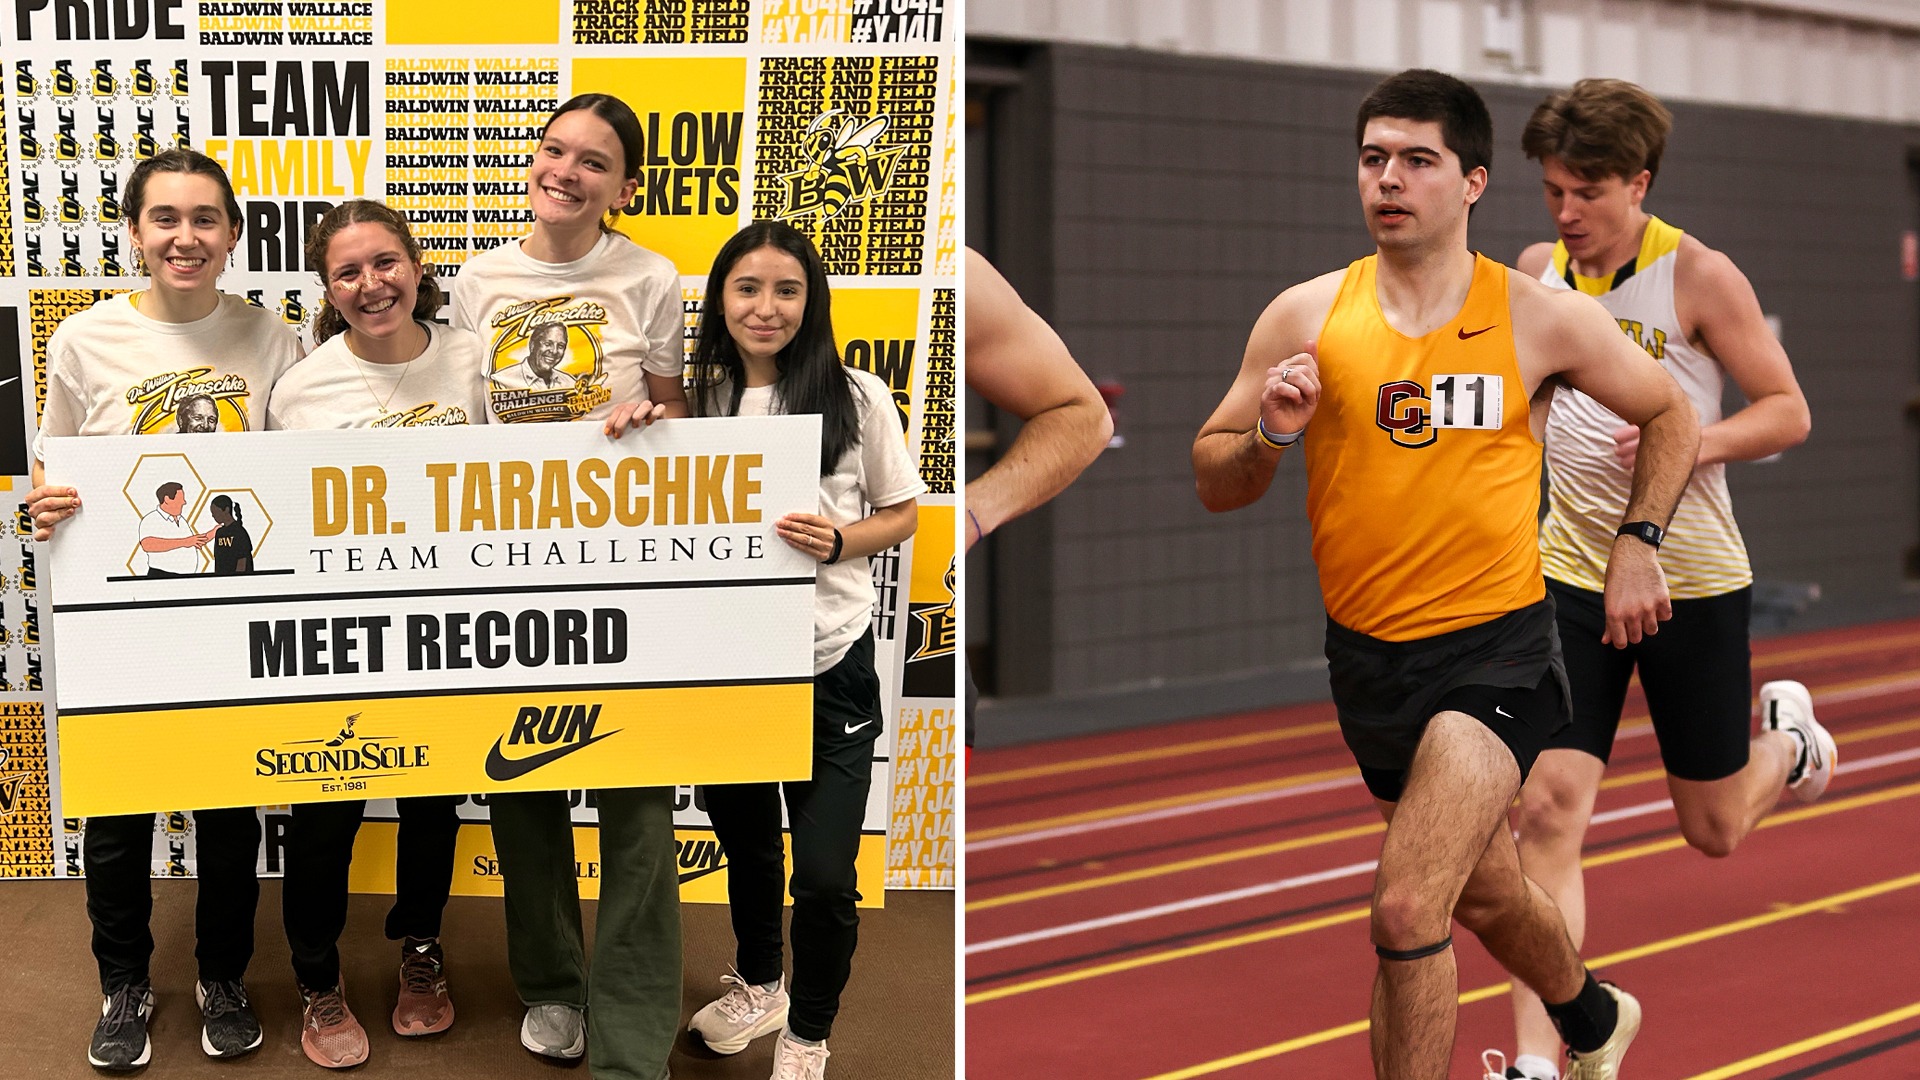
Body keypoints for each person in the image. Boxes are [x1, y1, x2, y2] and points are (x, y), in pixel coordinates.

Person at [1191, 69, 1701, 1080]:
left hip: (1497, 652)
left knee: (1408, 904)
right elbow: (1214, 473)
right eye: (1374, 158)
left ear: (1471, 182)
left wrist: (1637, 541)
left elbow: (1671, 412)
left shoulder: (1537, 317)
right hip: (1369, 660)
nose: (1389, 179)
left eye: (1417, 160)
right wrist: (1269, 436)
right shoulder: (1306, 315)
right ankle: (1595, 1018)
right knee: (1486, 890)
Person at [1486, 78, 1829, 1080]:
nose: (1565, 212)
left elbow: (1789, 411)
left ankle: (1792, 745)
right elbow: (1537, 403)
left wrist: (1686, 441)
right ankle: (1546, 1059)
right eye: (1552, 189)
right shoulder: (1539, 270)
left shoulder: (1698, 277)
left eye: (1587, 190)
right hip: (1570, 575)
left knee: (1713, 828)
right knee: (1546, 811)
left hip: (1693, 577)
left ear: (1640, 182)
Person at [24, 146, 302, 1072]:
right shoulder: (82, 340)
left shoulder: (272, 338)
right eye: (166, 219)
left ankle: (223, 975)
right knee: (117, 814)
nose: (187, 236)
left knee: (230, 811)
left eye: (205, 219)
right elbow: (50, 471)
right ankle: (126, 985)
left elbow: (301, 481)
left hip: (233, 617)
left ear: (232, 232)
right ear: (137, 232)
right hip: (122, 620)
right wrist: (45, 503)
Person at [449, 92, 688, 1080]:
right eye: (555, 149)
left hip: (622, 556)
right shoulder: (478, 278)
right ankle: (550, 984)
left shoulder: (653, 277)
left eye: (594, 161)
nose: (567, 171)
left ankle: (632, 1024)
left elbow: (677, 420)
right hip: (508, 559)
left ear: (624, 187)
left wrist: (649, 417)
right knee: (524, 777)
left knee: (638, 798)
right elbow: (463, 423)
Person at [683, 221, 922, 1080]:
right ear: (721, 299)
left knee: (824, 876)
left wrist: (841, 539)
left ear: (810, 301)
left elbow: (902, 514)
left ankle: (808, 1034)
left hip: (829, 664)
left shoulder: (856, 397)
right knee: (746, 845)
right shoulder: (697, 400)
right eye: (747, 288)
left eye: (787, 290)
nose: (766, 307)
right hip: (733, 666)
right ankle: (760, 983)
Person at [262, 198, 488, 1069]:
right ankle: (317, 977)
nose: (371, 284)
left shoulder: (475, 360)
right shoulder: (302, 385)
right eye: (348, 272)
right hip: (335, 635)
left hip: (445, 630)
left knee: (433, 803)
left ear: (418, 265)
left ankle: (421, 951)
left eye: (385, 263)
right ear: (327, 287)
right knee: (323, 814)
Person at [959, 248, 1113, 756]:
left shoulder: (943, 270)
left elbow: (1081, 414)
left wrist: (969, 514)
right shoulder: (708, 261)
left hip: (892, 618)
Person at [136, 481, 213, 576]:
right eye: (180, 499)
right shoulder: (151, 519)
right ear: (167, 499)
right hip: (162, 576)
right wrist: (185, 542)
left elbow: (193, 541)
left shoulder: (182, 520)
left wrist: (214, 533)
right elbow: (147, 544)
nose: (184, 502)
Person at [208, 494, 252, 574]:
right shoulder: (219, 533)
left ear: (226, 510)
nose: (213, 516)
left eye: (216, 512)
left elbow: (242, 560)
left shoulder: (239, 532)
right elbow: (217, 560)